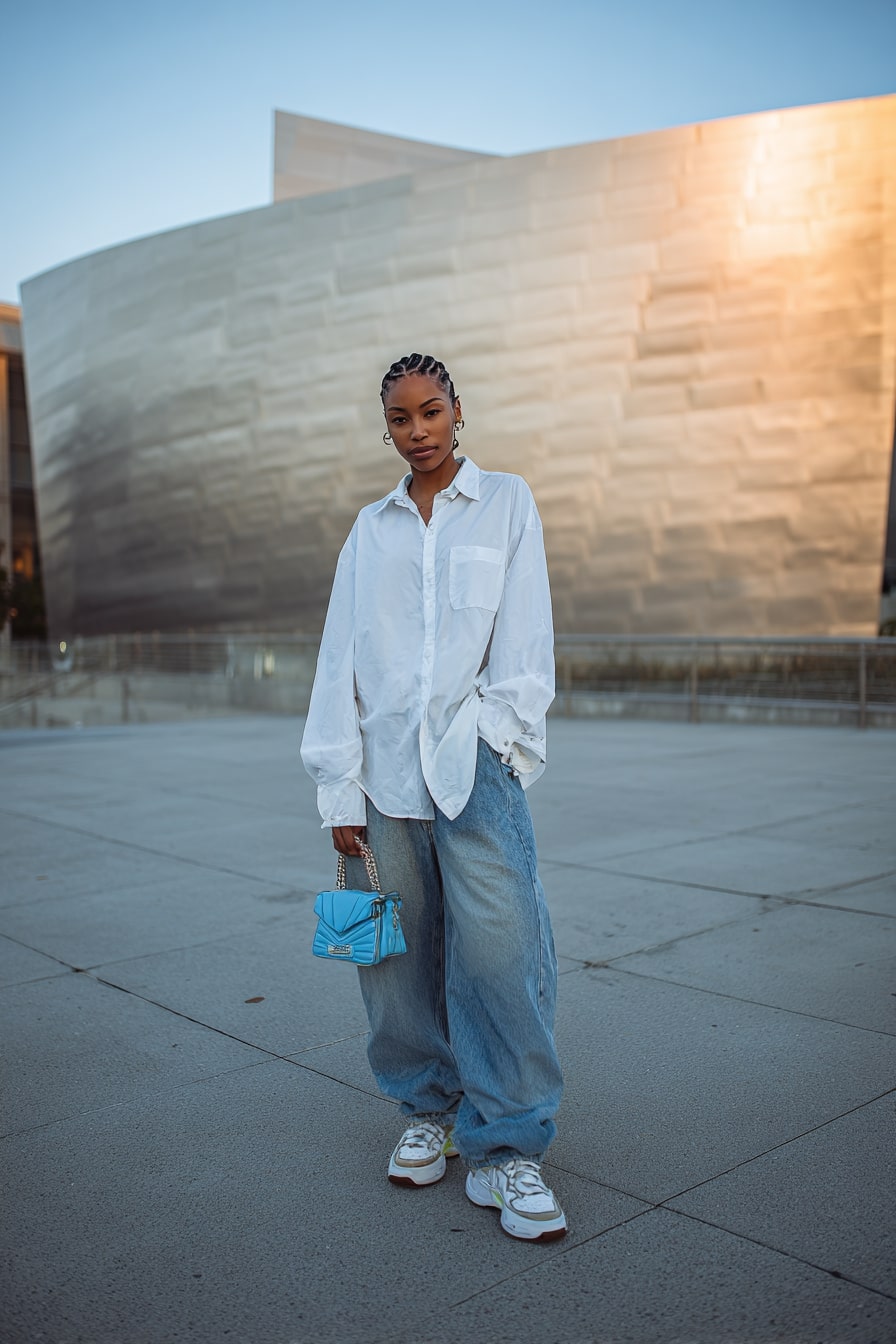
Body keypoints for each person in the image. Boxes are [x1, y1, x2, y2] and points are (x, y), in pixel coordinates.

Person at [300, 353, 565, 1242]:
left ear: (458, 411)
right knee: (395, 961)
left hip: (474, 769)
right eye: (400, 419)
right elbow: (341, 657)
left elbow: (525, 644)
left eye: (431, 411)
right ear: (387, 428)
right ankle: (430, 1110)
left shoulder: (507, 504)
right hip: (382, 777)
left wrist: (497, 745)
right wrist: (338, 782)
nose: (417, 431)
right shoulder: (369, 531)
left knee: (497, 953)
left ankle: (510, 1148)